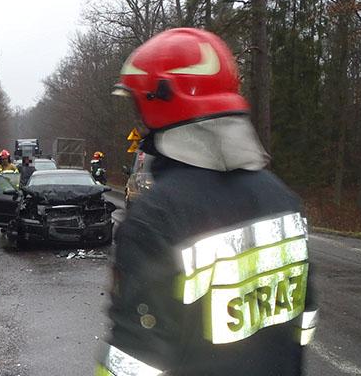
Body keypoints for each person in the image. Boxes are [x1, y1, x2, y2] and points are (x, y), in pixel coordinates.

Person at [97, 28, 317, 375]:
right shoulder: (283, 199)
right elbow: (303, 317)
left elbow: (133, 362)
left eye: (139, 105)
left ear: (162, 101)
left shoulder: (155, 218)